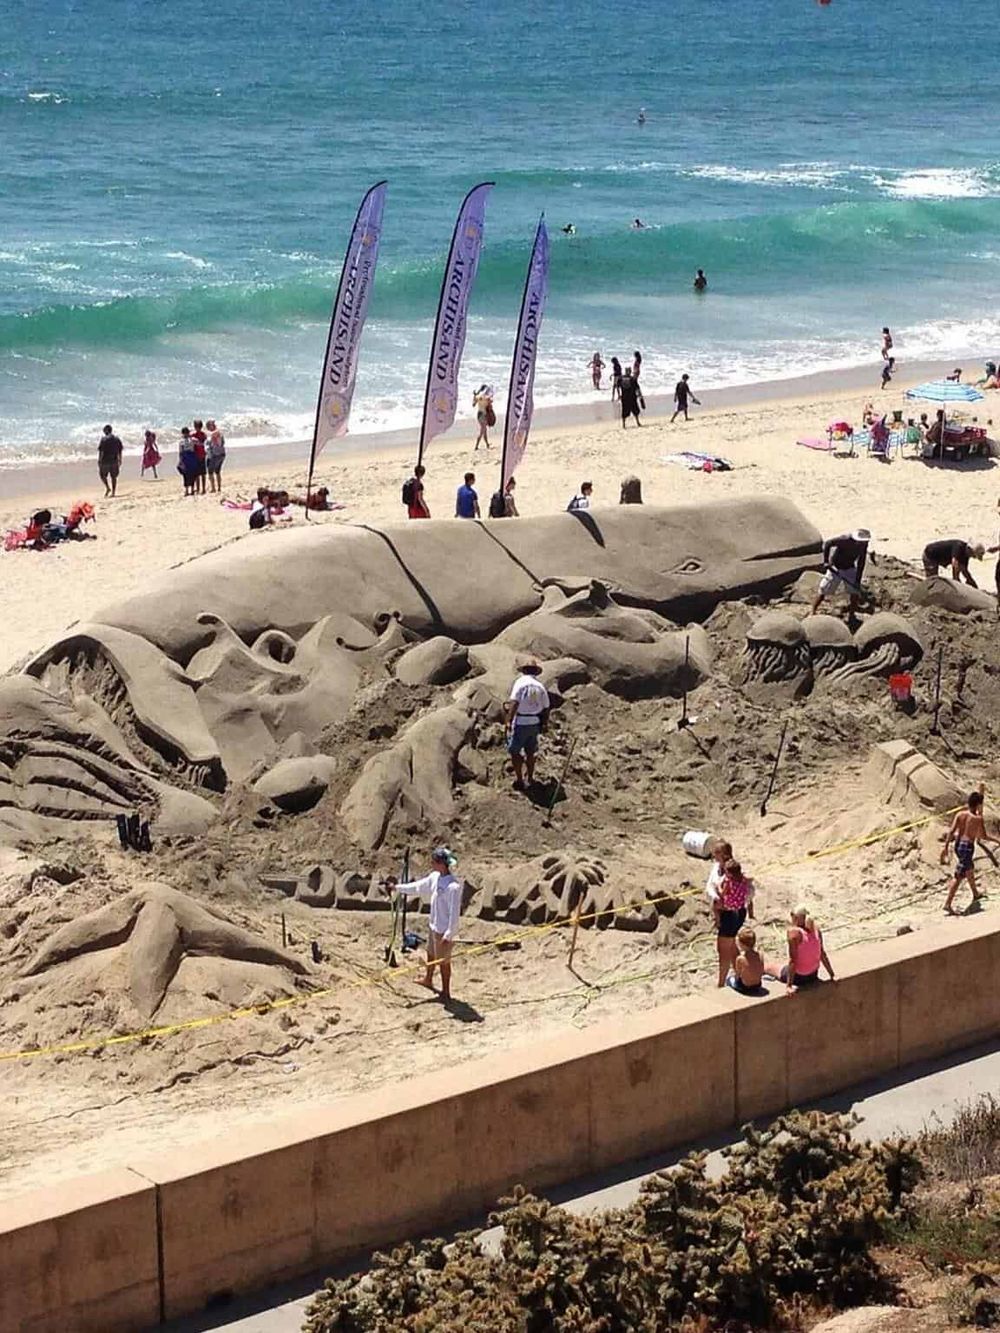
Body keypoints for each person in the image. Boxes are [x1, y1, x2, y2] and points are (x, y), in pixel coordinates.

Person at [386, 847, 465, 1002]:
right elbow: (418, 886)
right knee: (430, 953)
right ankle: (428, 979)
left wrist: (449, 934)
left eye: (434, 861)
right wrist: (398, 888)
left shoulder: (453, 887)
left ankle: (446, 992)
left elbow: (454, 914)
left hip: (443, 931)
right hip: (433, 925)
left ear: (442, 864)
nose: (431, 863)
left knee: (444, 963)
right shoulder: (435, 877)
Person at [941, 788, 999, 914]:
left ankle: (975, 893)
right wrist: (997, 840)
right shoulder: (977, 819)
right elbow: (983, 836)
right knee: (959, 876)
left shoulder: (960, 814)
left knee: (969, 870)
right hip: (967, 847)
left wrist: (945, 848)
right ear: (978, 804)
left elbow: (951, 832)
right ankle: (948, 903)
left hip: (958, 845)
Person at [503, 660, 550, 790]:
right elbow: (546, 707)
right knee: (531, 751)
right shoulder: (540, 686)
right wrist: (544, 723)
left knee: (514, 750)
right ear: (535, 672)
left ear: (524, 670)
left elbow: (514, 703)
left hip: (521, 722)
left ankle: (519, 779)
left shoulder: (520, 683)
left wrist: (508, 721)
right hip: (534, 722)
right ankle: (529, 777)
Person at [765, 907, 835, 994]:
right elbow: (822, 954)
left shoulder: (794, 934)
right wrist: (831, 974)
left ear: (796, 918)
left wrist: (789, 985)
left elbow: (793, 960)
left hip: (799, 977)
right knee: (783, 966)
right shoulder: (816, 929)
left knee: (769, 967)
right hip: (813, 974)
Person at [712, 859, 755, 987]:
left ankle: (721, 983)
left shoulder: (728, 882)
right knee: (731, 946)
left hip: (729, 914)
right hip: (740, 911)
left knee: (723, 950)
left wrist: (717, 887)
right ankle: (742, 975)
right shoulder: (743, 880)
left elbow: (721, 894)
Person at [810, 528, 871, 616]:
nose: (864, 543)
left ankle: (852, 614)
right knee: (824, 589)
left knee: (855, 592)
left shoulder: (863, 545)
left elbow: (861, 561)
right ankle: (813, 611)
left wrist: (858, 579)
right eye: (862, 542)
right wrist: (826, 561)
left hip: (849, 568)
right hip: (836, 567)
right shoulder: (844, 539)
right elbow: (828, 543)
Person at [921, 537, 986, 587]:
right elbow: (954, 563)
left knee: (936, 581)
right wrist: (956, 580)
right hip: (930, 555)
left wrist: (971, 582)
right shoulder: (958, 546)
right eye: (974, 555)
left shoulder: (966, 556)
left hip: (940, 559)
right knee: (932, 581)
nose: (973, 557)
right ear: (969, 549)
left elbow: (964, 570)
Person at [727, 926, 765, 996]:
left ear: (742, 944)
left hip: (745, 987)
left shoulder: (741, 959)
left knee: (729, 979)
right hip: (758, 985)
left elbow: (738, 975)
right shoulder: (760, 955)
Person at [98, 424, 123, 498]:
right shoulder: (117, 439)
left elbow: (101, 451)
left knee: (102, 475)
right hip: (114, 460)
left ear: (106, 431)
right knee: (114, 477)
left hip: (105, 460)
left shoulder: (103, 439)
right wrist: (120, 459)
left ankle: (108, 488)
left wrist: (99, 460)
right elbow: (120, 450)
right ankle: (113, 492)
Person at [177, 427, 199, 497]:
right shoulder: (192, 440)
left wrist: (180, 461)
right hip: (192, 457)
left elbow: (180, 452)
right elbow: (198, 443)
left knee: (186, 475)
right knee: (192, 474)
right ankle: (192, 490)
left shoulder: (181, 442)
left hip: (186, 458)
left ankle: (187, 491)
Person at [206, 420, 226, 493]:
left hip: (215, 454)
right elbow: (223, 443)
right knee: (217, 471)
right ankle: (219, 487)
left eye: (208, 426)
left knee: (210, 472)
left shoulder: (213, 434)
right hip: (222, 453)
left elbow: (210, 444)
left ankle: (213, 488)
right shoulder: (220, 433)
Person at [473, 385, 493, 450]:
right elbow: (490, 404)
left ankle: (487, 444)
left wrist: (475, 395)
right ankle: (476, 446)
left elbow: (473, 405)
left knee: (484, 430)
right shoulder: (486, 397)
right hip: (483, 415)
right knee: (482, 431)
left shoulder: (478, 396)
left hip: (479, 414)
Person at [191, 419, 208, 496]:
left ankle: (203, 488)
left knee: (202, 473)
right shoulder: (194, 435)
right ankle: (198, 489)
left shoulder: (202, 435)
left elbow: (204, 443)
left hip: (201, 455)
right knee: (197, 474)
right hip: (196, 455)